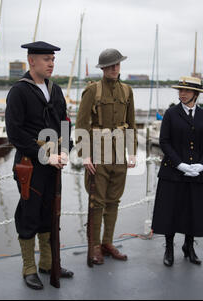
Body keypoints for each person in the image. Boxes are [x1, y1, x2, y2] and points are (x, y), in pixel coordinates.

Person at [5, 41, 74, 290]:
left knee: (50, 214)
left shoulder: (54, 90)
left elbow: (65, 121)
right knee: (29, 215)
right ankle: (29, 268)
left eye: (53, 60)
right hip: (30, 166)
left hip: (54, 164)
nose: (51, 64)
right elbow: (15, 132)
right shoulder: (19, 91)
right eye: (46, 59)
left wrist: (65, 150)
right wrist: (45, 155)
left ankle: (47, 263)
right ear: (31, 61)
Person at [75, 48, 137, 265]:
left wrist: (133, 152)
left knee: (114, 201)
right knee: (97, 203)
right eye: (110, 65)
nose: (114, 69)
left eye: (117, 64)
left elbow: (131, 124)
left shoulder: (127, 91)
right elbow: (81, 124)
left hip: (119, 154)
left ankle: (107, 243)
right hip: (97, 154)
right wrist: (84, 155)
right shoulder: (92, 91)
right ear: (102, 68)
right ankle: (94, 246)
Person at [151, 76, 203, 267]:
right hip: (173, 173)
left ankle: (189, 247)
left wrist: (202, 164)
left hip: (197, 174)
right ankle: (169, 249)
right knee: (170, 212)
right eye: (180, 90)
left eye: (186, 91)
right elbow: (164, 142)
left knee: (193, 211)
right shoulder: (171, 114)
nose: (182, 93)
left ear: (196, 94)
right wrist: (180, 164)